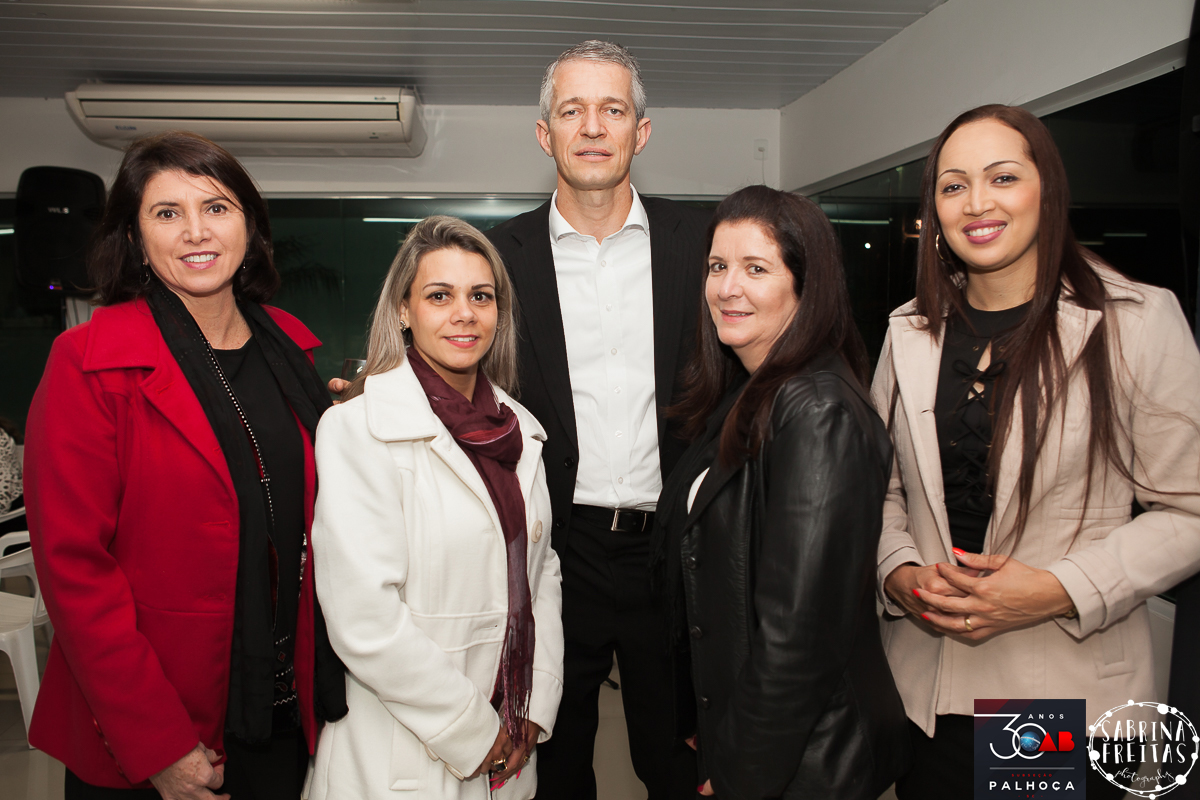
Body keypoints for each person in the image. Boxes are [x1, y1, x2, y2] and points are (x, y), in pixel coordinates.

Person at [872, 104, 1200, 800]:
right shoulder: (909, 329)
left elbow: (1192, 510)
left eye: (1002, 177)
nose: (977, 203)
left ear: (1047, 190)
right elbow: (881, 490)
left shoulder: (1134, 321)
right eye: (954, 185)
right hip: (924, 692)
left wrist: (1057, 590)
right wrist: (897, 572)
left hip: (1058, 694)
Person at [23, 131, 346, 800]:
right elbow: (74, 571)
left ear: (250, 227)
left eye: (217, 207)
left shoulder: (290, 352)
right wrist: (158, 743)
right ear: (137, 239)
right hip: (160, 725)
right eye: (167, 213)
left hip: (283, 704)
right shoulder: (87, 363)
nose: (196, 231)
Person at [483, 40, 709, 800]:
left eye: (612, 109)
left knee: (679, 759)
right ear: (545, 133)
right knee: (555, 761)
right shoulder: (497, 259)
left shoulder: (704, 246)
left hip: (674, 552)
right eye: (571, 110)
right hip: (557, 550)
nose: (592, 127)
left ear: (639, 133)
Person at [652, 185, 910, 799]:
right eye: (718, 266)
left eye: (756, 268)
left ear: (805, 283)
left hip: (805, 762)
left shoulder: (818, 410)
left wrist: (743, 774)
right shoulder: (748, 393)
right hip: (753, 735)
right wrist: (709, 718)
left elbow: (800, 635)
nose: (727, 287)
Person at [307, 216, 563, 800]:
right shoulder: (357, 428)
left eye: (481, 296)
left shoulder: (521, 432)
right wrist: (473, 731)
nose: (464, 314)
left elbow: (541, 574)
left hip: (510, 740)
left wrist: (532, 708)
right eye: (439, 295)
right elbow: (363, 618)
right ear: (403, 310)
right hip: (403, 751)